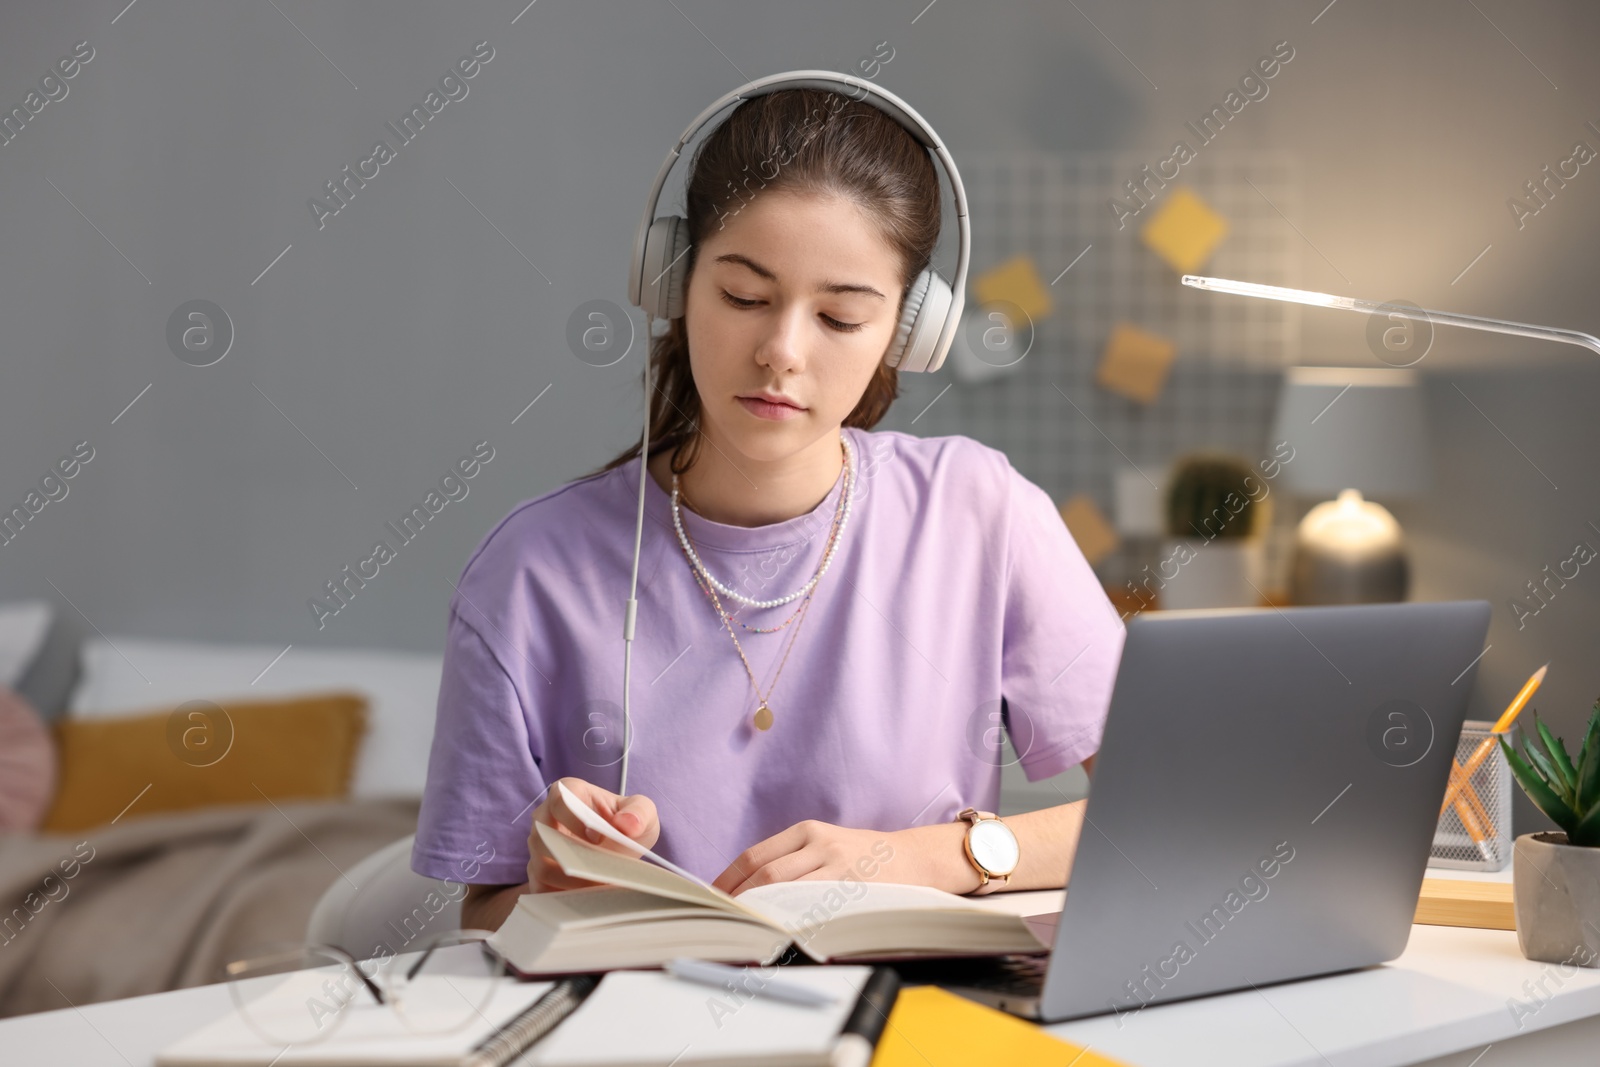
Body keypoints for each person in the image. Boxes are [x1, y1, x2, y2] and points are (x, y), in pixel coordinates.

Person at [410, 85, 1126, 932]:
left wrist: (928, 856)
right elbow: (486, 912)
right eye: (745, 297)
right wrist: (553, 890)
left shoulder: (980, 513)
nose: (781, 351)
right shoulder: (529, 570)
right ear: (673, 283)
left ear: (907, 331)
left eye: (840, 315)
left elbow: (1167, 811)